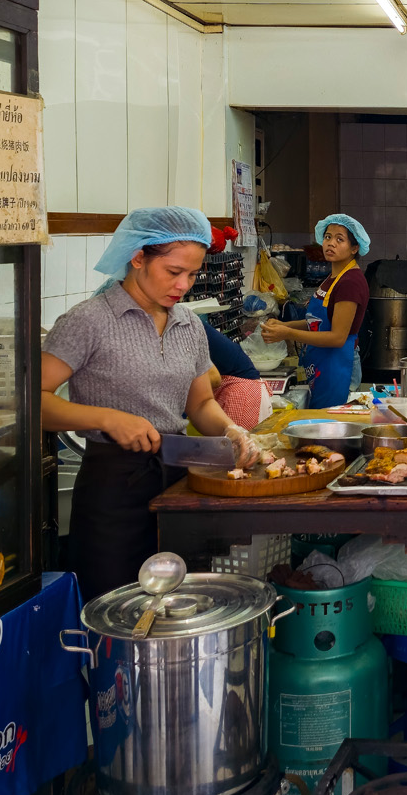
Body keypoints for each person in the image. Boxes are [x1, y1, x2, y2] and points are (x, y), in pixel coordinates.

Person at [42, 207, 264, 602]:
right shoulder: (88, 321)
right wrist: (108, 419)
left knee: (180, 601)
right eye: (173, 271)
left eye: (193, 275)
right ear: (138, 257)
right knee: (113, 601)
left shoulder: (189, 325)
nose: (183, 285)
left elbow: (199, 405)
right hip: (113, 488)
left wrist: (230, 429)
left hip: (178, 479)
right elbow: (31, 404)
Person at [261, 214, 370, 408]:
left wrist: (288, 333)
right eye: (328, 237)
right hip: (324, 362)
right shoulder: (333, 277)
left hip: (338, 365)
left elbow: (337, 337)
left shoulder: (350, 282)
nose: (331, 243)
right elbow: (317, 321)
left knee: (331, 425)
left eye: (340, 239)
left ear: (355, 248)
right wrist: (283, 325)